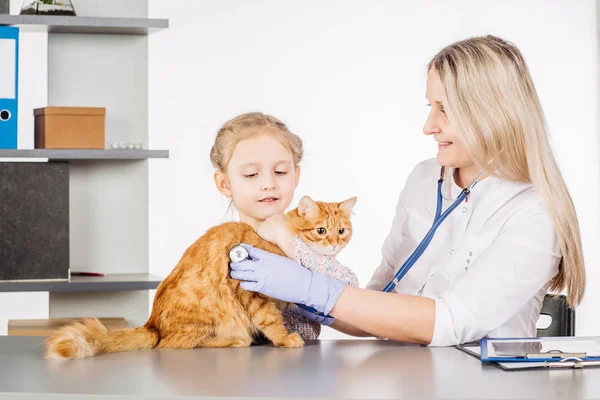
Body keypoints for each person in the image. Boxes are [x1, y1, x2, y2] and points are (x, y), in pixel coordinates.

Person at [229, 35, 586, 346]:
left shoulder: (534, 214)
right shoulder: (424, 177)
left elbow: (449, 322)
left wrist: (312, 288)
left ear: (493, 112)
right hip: (408, 376)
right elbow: (378, 302)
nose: (428, 126)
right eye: (430, 107)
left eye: (445, 109)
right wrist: (295, 290)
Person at [210, 112, 358, 340]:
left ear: (296, 176)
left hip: (299, 364)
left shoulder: (302, 246)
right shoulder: (221, 249)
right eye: (251, 174)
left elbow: (349, 288)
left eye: (280, 172)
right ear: (224, 183)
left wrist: (289, 241)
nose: (269, 184)